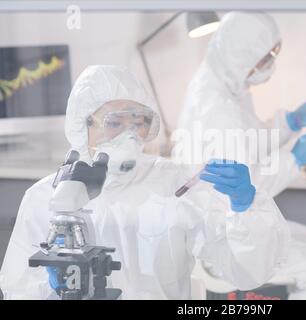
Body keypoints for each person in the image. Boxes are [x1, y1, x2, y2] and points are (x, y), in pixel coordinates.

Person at [0, 65, 290, 299]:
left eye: (139, 122)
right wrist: (51, 289)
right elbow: (17, 289)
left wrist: (245, 209)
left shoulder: (175, 184)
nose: (131, 135)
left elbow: (246, 273)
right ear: (82, 123)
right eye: (115, 123)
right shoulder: (46, 198)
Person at [176, 12, 306, 299]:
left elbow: (250, 141)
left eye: (274, 52)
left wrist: (292, 121)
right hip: (228, 236)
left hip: (239, 221)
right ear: (241, 57)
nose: (271, 63)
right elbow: (247, 187)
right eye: (267, 57)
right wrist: (296, 158)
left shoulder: (227, 83)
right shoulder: (216, 109)